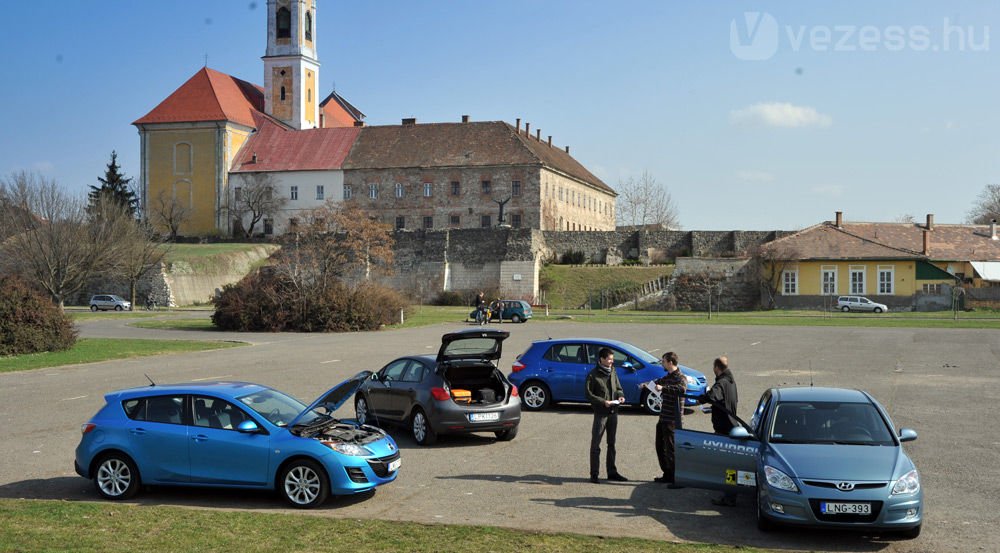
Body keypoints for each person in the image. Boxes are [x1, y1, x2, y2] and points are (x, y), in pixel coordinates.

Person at [699, 356, 739, 506]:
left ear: (717, 367)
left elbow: (712, 396)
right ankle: (730, 494)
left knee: (726, 467)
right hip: (731, 427)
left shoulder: (721, 383)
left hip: (724, 431)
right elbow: (724, 402)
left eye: (713, 367)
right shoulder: (731, 382)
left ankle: (729, 497)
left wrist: (700, 399)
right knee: (730, 466)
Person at [585, 347, 628, 483]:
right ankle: (594, 474)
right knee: (596, 444)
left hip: (613, 412)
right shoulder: (593, 375)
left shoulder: (613, 371)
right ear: (601, 359)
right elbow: (588, 394)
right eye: (609, 359)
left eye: (612, 359)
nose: (611, 362)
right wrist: (603, 402)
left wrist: (620, 396)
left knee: (612, 443)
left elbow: (619, 387)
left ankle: (612, 472)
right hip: (601, 414)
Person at [651, 351, 686, 487]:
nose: (662, 364)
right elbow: (657, 383)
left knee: (671, 449)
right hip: (663, 418)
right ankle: (667, 474)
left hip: (672, 420)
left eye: (664, 361)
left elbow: (681, 389)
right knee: (661, 447)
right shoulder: (668, 376)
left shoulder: (680, 377)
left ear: (670, 362)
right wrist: (647, 385)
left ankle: (676, 478)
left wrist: (663, 388)